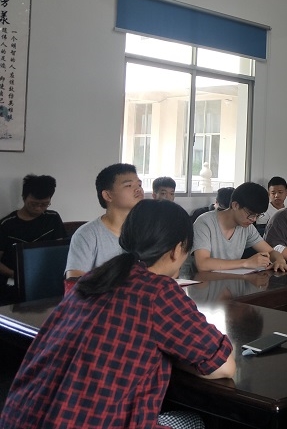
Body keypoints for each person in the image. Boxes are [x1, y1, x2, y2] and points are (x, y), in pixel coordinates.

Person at [0, 199, 235, 429]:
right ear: (177, 249)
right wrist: (175, 355)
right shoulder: (158, 292)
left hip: (19, 416)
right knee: (196, 421)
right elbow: (224, 366)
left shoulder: (93, 278)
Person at [65, 163, 144, 280]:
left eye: (139, 184)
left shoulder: (147, 230)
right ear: (107, 195)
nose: (138, 189)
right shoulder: (87, 234)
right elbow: (73, 282)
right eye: (128, 185)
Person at [192, 182, 287, 272]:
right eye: (251, 214)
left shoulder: (247, 227)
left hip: (231, 281)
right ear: (235, 205)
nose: (254, 219)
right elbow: (202, 264)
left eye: (258, 215)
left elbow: (271, 251)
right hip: (203, 282)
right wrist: (246, 262)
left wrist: (279, 260)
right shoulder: (205, 223)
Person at [0, 174, 67, 303]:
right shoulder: (6, 224)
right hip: (14, 280)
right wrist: (17, 275)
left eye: (44, 204)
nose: (38, 208)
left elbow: (61, 252)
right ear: (24, 197)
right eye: (34, 204)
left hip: (47, 278)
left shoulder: (53, 218)